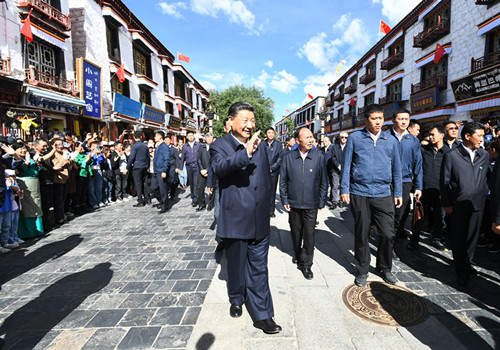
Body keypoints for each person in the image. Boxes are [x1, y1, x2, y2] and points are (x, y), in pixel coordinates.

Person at [210, 101, 281, 334]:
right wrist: (245, 152)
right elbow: (220, 168)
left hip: (259, 219)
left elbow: (264, 177)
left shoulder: (260, 146)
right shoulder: (219, 145)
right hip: (236, 219)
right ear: (230, 121)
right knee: (237, 267)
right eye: (245, 120)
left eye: (253, 120)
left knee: (260, 268)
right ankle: (236, 298)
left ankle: (263, 315)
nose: (250, 125)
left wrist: (268, 208)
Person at [340, 104, 402, 287]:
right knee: (362, 234)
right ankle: (362, 270)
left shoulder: (390, 140)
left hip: (383, 193)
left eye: (380, 118)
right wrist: (345, 189)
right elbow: (347, 165)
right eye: (374, 118)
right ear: (366, 120)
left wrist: (397, 191)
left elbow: (396, 168)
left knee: (387, 233)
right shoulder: (355, 138)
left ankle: (384, 267)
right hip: (360, 192)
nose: (378, 122)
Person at [441, 121, 489, 286]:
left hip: (477, 204)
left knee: (472, 238)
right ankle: (461, 270)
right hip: (458, 204)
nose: (482, 139)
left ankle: (467, 263)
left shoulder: (484, 155)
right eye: (479, 135)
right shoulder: (452, 155)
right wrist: (447, 203)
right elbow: (445, 182)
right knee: (459, 238)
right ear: (467, 136)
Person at [280, 127, 327, 280]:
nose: (310, 139)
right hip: (294, 203)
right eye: (306, 137)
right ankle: (297, 252)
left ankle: (306, 264)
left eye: (311, 137)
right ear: (298, 140)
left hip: (311, 203)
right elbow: (283, 180)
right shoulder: (288, 157)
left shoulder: (319, 156)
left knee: (309, 234)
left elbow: (323, 181)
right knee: (295, 232)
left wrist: (321, 200)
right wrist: (285, 199)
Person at [389, 109, 422, 259]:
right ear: (393, 120)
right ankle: (385, 243)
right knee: (385, 215)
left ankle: (391, 246)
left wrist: (418, 186)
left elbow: (418, 164)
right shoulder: (384, 137)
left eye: (406, 119)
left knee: (400, 216)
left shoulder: (413, 140)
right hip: (386, 182)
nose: (403, 122)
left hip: (404, 182)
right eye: (400, 118)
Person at [408, 124, 447, 251]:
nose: (430, 137)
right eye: (429, 134)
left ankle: (437, 239)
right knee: (418, 216)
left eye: (433, 134)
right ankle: (414, 239)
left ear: (442, 135)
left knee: (439, 217)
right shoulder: (424, 150)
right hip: (423, 189)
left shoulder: (448, 153)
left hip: (440, 191)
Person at [126, 130, 151, 207]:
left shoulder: (134, 146)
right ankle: (147, 199)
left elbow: (132, 157)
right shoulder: (145, 146)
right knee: (144, 183)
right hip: (144, 166)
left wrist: (127, 167)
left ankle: (140, 200)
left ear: (134, 136)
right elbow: (148, 157)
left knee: (138, 184)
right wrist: (148, 166)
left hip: (137, 167)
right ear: (141, 136)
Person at [264, 127, 282, 218]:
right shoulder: (262, 144)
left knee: (272, 192)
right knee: (264, 192)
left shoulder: (278, 144)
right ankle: (264, 209)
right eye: (269, 133)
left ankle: (271, 210)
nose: (271, 134)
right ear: (266, 134)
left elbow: (280, 158)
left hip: (274, 172)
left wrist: (272, 168)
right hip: (263, 172)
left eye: (272, 132)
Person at [180, 131, 201, 207]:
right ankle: (193, 197)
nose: (191, 137)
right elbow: (183, 157)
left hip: (197, 166)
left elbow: (201, 156)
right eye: (189, 135)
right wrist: (181, 167)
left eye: (192, 135)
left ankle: (196, 200)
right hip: (189, 167)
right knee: (191, 184)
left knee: (196, 183)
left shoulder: (198, 145)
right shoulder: (185, 146)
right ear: (187, 137)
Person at [151, 131, 171, 214]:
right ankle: (161, 201)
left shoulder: (164, 147)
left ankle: (165, 205)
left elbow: (167, 159)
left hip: (161, 171)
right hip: (156, 170)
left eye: (155, 136)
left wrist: (164, 170)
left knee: (163, 189)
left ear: (160, 137)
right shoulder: (157, 146)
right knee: (153, 188)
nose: (154, 138)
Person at [197, 133, 214, 211]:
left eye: (211, 138)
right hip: (202, 171)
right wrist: (201, 169)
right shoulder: (201, 147)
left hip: (211, 171)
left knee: (211, 188)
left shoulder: (215, 148)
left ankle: (210, 204)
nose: (209, 139)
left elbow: (214, 160)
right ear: (205, 139)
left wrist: (207, 170)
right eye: (208, 138)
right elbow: (198, 159)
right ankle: (201, 204)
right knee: (200, 188)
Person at [331, 132, 348, 209]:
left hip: (345, 170)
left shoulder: (348, 147)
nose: (344, 139)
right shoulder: (335, 147)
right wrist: (338, 165)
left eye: (346, 137)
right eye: (342, 137)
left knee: (342, 186)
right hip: (335, 169)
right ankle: (334, 202)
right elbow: (333, 157)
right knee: (335, 186)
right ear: (340, 138)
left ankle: (341, 201)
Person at [322, 135, 334, 204]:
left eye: (325, 141)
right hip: (324, 169)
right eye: (323, 141)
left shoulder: (332, 148)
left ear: (329, 141)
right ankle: (324, 197)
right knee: (325, 184)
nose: (324, 143)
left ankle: (332, 197)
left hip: (331, 169)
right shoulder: (322, 149)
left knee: (333, 184)